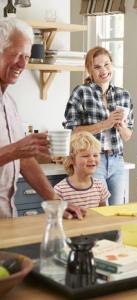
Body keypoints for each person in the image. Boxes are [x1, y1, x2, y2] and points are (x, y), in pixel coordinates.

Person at [0, 19, 84, 220]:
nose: (22, 64)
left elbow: (25, 160)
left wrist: (56, 201)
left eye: (27, 56)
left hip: (6, 218)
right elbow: (17, 152)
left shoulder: (9, 102)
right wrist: (15, 150)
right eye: (17, 55)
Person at [63, 46, 134, 205]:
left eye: (107, 64)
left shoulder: (123, 95)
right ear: (89, 70)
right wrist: (105, 124)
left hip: (117, 161)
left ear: (112, 65)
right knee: (99, 210)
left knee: (117, 212)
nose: (103, 70)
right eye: (97, 67)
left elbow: (128, 136)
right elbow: (72, 131)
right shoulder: (81, 92)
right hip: (93, 160)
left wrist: (120, 125)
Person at [54, 132, 110, 208]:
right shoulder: (60, 190)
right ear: (71, 159)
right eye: (86, 156)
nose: (92, 159)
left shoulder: (100, 186)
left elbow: (103, 214)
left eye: (95, 155)